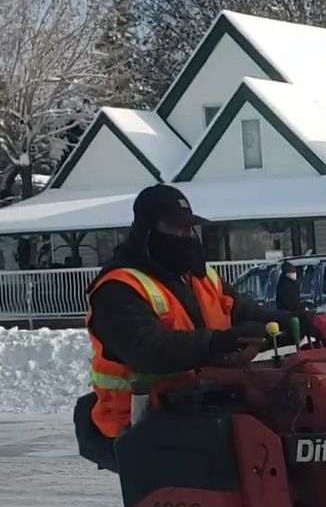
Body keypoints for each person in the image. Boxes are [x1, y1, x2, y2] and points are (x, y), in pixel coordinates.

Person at [75, 184, 292, 462]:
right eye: (175, 229)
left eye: (188, 229)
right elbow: (148, 350)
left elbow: (243, 311)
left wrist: (295, 320)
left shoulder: (198, 278)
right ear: (147, 231)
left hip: (197, 404)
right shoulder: (118, 288)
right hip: (140, 419)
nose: (185, 237)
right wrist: (216, 341)